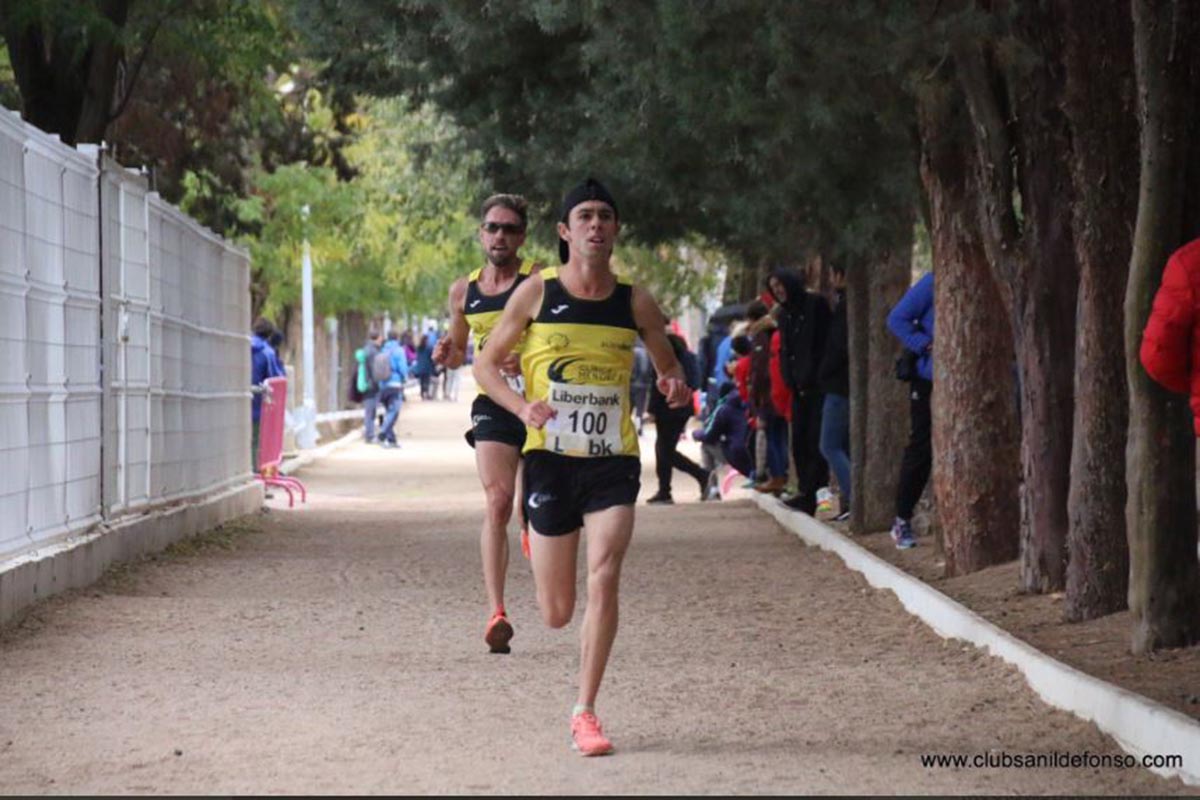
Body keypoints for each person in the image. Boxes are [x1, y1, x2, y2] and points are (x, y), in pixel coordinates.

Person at [474, 178, 691, 757]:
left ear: (616, 230)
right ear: (566, 232)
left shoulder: (635, 301)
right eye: (585, 216)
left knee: (605, 573)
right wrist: (522, 407)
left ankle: (585, 710)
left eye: (606, 216)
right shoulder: (536, 294)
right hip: (548, 461)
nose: (596, 224)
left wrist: (673, 387)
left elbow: (672, 370)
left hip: (612, 463)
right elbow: (485, 366)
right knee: (555, 613)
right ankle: (532, 530)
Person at [433, 193, 540, 654]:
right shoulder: (464, 291)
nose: (500, 236)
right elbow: (460, 352)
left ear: (522, 237)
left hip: (542, 403)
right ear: (481, 234)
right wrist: (446, 353)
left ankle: (533, 525)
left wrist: (530, 355)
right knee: (497, 500)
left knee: (531, 508)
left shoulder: (539, 282)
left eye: (510, 229)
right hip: (495, 404)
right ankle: (497, 613)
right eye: (493, 228)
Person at [767, 268, 831, 514]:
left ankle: (819, 497)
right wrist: (789, 377)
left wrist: (817, 373)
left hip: (818, 386)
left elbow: (823, 343)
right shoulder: (784, 315)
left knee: (817, 445)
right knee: (800, 444)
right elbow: (786, 349)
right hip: (797, 388)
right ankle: (806, 493)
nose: (778, 291)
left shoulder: (815, 305)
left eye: (780, 285)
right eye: (774, 288)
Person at [887, 271, 934, 549]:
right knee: (921, 447)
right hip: (928, 379)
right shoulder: (933, 282)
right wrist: (925, 344)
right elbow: (897, 319)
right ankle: (902, 518)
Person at [645, 331, 710, 504]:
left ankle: (700, 475)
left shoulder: (663, 361)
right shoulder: (688, 357)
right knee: (664, 449)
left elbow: (655, 386)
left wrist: (651, 410)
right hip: (683, 408)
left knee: (664, 451)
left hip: (666, 409)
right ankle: (665, 490)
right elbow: (696, 381)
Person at [818, 266, 851, 522]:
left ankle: (852, 498)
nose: (831, 278)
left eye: (834, 273)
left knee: (829, 445)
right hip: (840, 383)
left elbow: (837, 347)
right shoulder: (843, 306)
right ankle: (851, 499)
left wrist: (823, 372)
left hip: (838, 385)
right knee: (842, 446)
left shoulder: (845, 308)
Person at [692, 382, 754, 479]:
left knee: (706, 446)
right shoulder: (750, 402)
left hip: (738, 453)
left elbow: (710, 436)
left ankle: (712, 488)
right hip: (754, 450)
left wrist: (696, 434)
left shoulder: (724, 408)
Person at [250, 317, 286, 470]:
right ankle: (256, 474)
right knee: (258, 442)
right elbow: (275, 378)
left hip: (238, 402)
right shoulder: (267, 353)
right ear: (270, 334)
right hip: (259, 405)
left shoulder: (241, 346)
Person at [376, 330, 410, 448]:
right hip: (395, 384)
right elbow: (402, 368)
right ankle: (382, 433)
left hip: (382, 385)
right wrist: (405, 377)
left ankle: (392, 440)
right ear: (397, 338)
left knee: (388, 412)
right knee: (394, 412)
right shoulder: (399, 351)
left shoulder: (382, 350)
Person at [360, 330, 384, 442]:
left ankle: (369, 433)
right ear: (377, 338)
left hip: (367, 383)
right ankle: (369, 435)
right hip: (371, 385)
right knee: (370, 411)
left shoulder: (366, 349)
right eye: (381, 338)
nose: (382, 340)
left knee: (370, 411)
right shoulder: (373, 351)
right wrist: (378, 383)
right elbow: (374, 370)